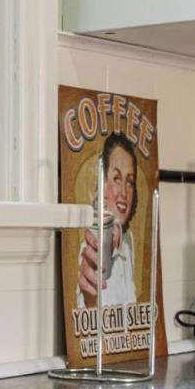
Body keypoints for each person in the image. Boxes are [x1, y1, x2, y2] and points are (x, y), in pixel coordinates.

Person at [76, 132, 138, 309]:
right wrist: (89, 299)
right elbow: (85, 316)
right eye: (117, 179)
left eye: (130, 182)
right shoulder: (90, 252)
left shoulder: (127, 247)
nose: (124, 193)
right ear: (102, 184)